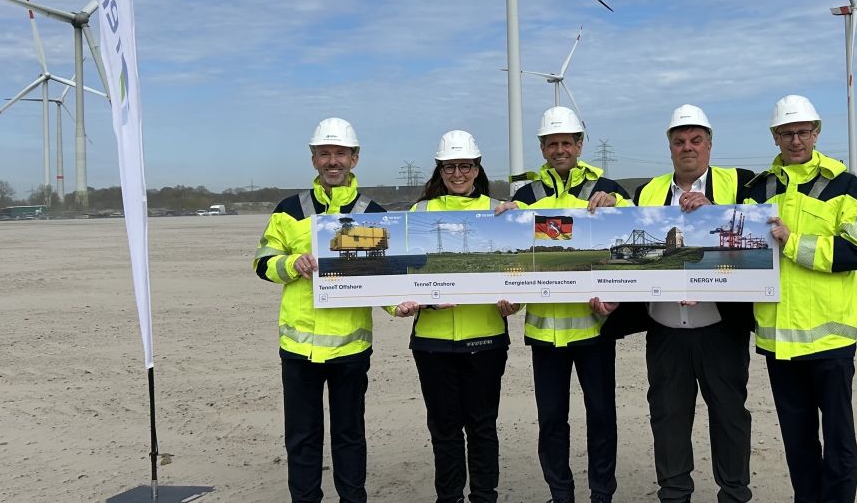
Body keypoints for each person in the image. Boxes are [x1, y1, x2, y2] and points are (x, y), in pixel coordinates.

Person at [742, 96, 857, 503]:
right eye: (786, 133)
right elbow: (739, 253)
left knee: (838, 443)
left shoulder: (846, 186)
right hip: (777, 341)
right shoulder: (757, 189)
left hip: (829, 343)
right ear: (774, 137)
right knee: (797, 443)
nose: (795, 139)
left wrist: (792, 242)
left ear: (816, 133)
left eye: (802, 131)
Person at [497, 106, 631, 503]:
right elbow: (512, 255)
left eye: (566, 143)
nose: (559, 149)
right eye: (552, 143)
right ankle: (561, 493)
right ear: (542, 148)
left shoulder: (608, 190)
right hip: (543, 332)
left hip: (594, 328)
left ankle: (601, 492)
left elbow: (633, 247)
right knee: (552, 420)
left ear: (579, 144)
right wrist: (502, 219)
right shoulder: (524, 196)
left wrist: (616, 208)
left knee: (602, 417)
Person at [252, 117, 387, 503]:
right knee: (302, 437)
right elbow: (262, 262)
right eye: (325, 153)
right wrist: (291, 265)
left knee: (349, 435)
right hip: (299, 349)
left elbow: (384, 274)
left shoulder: (373, 213)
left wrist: (403, 304)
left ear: (354, 158)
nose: (333, 161)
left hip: (350, 349)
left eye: (340, 153)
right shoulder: (288, 209)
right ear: (313, 159)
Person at [625, 104, 756, 503]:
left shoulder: (740, 183)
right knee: (668, 418)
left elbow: (760, 229)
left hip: (720, 327)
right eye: (679, 141)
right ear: (669, 148)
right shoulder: (647, 191)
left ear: (710, 145)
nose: (687, 147)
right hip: (666, 330)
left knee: (730, 416)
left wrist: (714, 212)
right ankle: (675, 493)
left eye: (696, 140)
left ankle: (733, 493)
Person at [392, 130, 521, 503]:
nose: (458, 173)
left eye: (465, 165)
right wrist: (418, 301)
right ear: (440, 169)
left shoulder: (502, 210)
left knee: (482, 427)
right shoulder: (418, 213)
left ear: (477, 167)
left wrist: (517, 302)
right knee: (444, 429)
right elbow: (400, 270)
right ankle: (448, 498)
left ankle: (484, 497)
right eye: (450, 166)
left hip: (486, 339)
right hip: (433, 343)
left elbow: (520, 270)